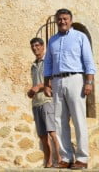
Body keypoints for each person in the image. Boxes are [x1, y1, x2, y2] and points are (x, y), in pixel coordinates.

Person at [43, 8, 96, 170]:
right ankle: (65, 157)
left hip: (76, 79)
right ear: (56, 21)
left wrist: (89, 83)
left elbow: (88, 61)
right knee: (59, 121)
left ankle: (82, 158)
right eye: (59, 19)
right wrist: (46, 83)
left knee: (79, 119)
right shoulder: (52, 40)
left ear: (71, 20)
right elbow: (48, 64)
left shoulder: (80, 37)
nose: (62, 21)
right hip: (57, 80)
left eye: (65, 19)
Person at [27, 37, 61, 168]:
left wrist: (38, 87)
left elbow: (52, 80)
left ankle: (59, 159)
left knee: (52, 132)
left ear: (43, 47)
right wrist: (32, 91)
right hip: (36, 103)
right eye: (33, 46)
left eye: (37, 46)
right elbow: (36, 83)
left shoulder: (48, 62)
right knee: (42, 136)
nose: (35, 48)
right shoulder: (33, 65)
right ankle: (49, 162)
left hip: (47, 101)